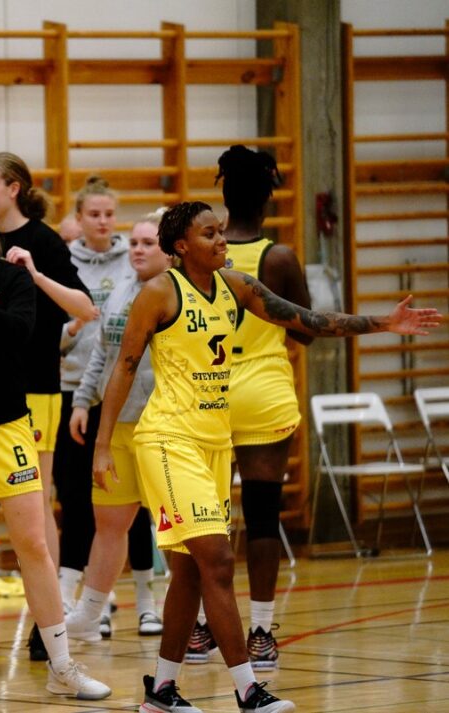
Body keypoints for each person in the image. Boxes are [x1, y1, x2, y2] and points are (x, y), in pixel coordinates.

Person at [94, 201, 440, 713]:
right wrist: (103, 446)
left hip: (215, 444)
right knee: (218, 561)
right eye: (209, 234)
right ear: (182, 246)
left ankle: (162, 693)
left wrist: (384, 323)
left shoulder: (236, 286)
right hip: (169, 441)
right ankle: (248, 690)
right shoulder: (160, 293)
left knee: (190, 571)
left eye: (221, 231)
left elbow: (309, 320)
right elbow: (124, 367)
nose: (221, 240)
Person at [0, 182, 111, 702]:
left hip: (7, 425)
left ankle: (61, 663)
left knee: (33, 542)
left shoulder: (12, 277)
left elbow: (17, 333)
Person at [191, 145, 312, 668]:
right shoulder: (277, 258)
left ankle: (202, 628)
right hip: (262, 393)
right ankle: (261, 633)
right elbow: (305, 331)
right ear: (268, 197)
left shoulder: (201, 253)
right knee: (262, 516)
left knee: (206, 519)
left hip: (208, 394)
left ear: (224, 196)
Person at [0, 151, 96, 659]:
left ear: (13, 189)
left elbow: (85, 308)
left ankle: (48, 624)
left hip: (35, 389)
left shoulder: (42, 241)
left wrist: (35, 275)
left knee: (35, 502)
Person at [54, 177, 157, 642]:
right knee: (102, 516)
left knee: (164, 522)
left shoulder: (169, 290)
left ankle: (159, 606)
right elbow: (102, 349)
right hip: (107, 411)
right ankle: (90, 611)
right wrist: (82, 399)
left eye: (146, 243)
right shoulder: (118, 288)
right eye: (134, 243)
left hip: (157, 420)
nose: (136, 250)